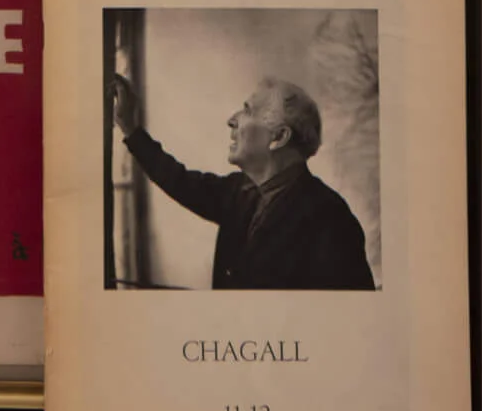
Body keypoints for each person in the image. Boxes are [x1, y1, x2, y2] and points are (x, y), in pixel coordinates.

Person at [110, 71, 374, 290]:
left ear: (279, 137)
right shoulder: (238, 190)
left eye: (248, 110)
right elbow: (178, 180)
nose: (231, 120)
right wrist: (130, 128)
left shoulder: (330, 219)